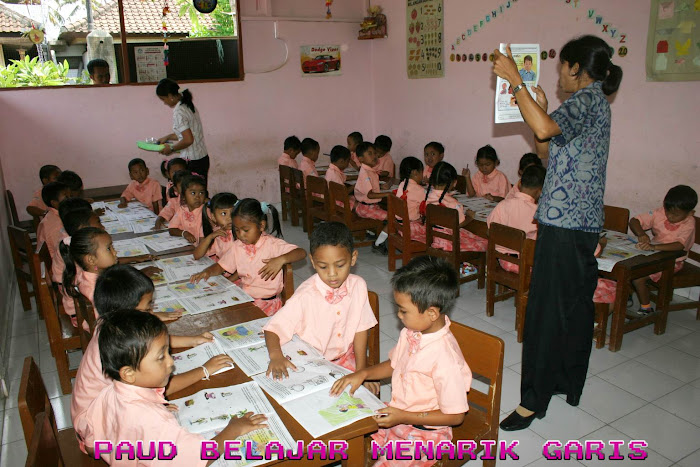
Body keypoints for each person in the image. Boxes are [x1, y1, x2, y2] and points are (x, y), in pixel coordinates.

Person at [493, 35, 623, 430]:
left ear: (574, 68)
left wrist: (515, 81)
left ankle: (533, 401)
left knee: (546, 312)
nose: (558, 77)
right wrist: (542, 114)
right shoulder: (588, 104)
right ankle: (568, 382)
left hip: (566, 225)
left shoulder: (586, 100)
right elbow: (548, 149)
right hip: (576, 223)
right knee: (573, 308)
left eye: (560, 69)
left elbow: (546, 127)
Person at [330, 255, 472, 466]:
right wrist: (364, 373)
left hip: (426, 433)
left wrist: (404, 416)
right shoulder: (412, 332)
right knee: (347, 431)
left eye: (404, 310)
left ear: (432, 313)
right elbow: (395, 364)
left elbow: (455, 416)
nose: (398, 315)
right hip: (401, 415)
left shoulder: (445, 358)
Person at [71, 265, 227, 454]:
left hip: (102, 411)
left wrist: (192, 340)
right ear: (127, 314)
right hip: (95, 430)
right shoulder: (118, 351)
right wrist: (203, 370)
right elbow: (159, 382)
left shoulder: (110, 327)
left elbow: (149, 343)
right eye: (146, 309)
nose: (151, 312)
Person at [82, 309, 261, 463]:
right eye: (161, 357)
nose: (170, 362)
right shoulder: (152, 419)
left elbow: (91, 446)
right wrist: (233, 430)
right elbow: (202, 457)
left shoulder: (109, 392)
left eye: (168, 352)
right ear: (129, 373)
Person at [263, 222, 378, 381]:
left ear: (353, 258)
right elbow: (272, 329)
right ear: (313, 261)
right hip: (313, 364)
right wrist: (276, 356)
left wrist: (361, 372)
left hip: (346, 360)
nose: (332, 274)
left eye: (340, 265)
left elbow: (360, 329)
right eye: (323, 267)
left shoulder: (358, 285)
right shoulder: (306, 295)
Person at [190, 198, 306, 316]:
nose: (241, 235)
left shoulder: (273, 245)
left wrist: (281, 259)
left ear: (261, 226)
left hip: (267, 305)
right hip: (245, 298)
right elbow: (221, 266)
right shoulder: (238, 246)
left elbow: (301, 252)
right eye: (236, 230)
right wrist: (207, 272)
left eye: (245, 230)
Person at [630, 185, 697, 315]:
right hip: (655, 255)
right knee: (626, 265)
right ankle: (625, 295)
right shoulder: (660, 213)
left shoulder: (689, 223)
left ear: (690, 213)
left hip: (673, 260)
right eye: (668, 211)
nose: (670, 216)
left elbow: (679, 245)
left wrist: (654, 247)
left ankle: (646, 307)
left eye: (676, 214)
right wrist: (641, 234)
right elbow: (634, 221)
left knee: (637, 277)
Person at [420, 161, 487, 253]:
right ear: (454, 183)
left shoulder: (428, 195)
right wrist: (469, 217)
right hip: (450, 244)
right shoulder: (453, 204)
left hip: (433, 238)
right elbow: (459, 224)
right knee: (484, 242)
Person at [156, 79, 210, 179]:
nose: (164, 103)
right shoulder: (187, 105)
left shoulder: (179, 112)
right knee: (199, 192)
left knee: (191, 192)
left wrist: (171, 149)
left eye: (163, 99)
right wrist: (167, 137)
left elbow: (188, 140)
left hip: (192, 161)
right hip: (202, 158)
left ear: (170, 96)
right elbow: (187, 134)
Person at [60, 227, 119, 309]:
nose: (115, 252)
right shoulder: (99, 291)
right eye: (109, 248)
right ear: (91, 260)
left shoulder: (85, 275)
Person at [354, 142, 391, 254]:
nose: (374, 156)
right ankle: (378, 244)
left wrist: (380, 186)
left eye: (375, 153)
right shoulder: (365, 172)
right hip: (367, 209)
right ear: (360, 159)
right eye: (370, 154)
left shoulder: (369, 170)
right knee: (394, 218)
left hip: (367, 206)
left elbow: (370, 188)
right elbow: (370, 195)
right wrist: (387, 194)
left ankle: (379, 236)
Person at [193, 192, 239, 260]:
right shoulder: (218, 235)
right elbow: (197, 255)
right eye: (224, 213)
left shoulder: (243, 231)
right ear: (214, 217)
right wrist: (210, 237)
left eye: (233, 212)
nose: (229, 217)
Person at [168, 173, 207, 244]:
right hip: (189, 247)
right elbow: (171, 229)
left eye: (201, 193)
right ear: (183, 196)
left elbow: (203, 241)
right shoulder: (182, 210)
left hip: (202, 250)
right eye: (193, 193)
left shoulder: (206, 212)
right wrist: (184, 233)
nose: (197, 197)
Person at [394, 156, 426, 242]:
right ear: (415, 172)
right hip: (410, 228)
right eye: (421, 172)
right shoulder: (419, 189)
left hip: (400, 225)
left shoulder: (402, 184)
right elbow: (429, 203)